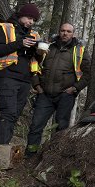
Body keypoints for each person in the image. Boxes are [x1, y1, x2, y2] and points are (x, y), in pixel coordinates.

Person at [25, 23, 90, 155]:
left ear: (73, 34)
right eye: (63, 31)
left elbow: (88, 73)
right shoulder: (47, 46)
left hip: (66, 95)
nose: (65, 33)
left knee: (61, 128)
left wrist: (75, 88)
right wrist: (37, 86)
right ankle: (30, 156)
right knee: (36, 126)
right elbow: (34, 64)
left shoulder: (79, 50)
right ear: (59, 32)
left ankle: (53, 157)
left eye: (68, 31)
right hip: (44, 94)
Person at [0, 3, 43, 145]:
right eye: (28, 17)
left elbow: (36, 60)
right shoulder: (5, 28)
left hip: (25, 80)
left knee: (15, 115)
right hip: (7, 76)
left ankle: (4, 147)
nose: (30, 22)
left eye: (33, 20)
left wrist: (39, 52)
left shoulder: (34, 35)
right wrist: (20, 43)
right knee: (8, 113)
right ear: (20, 15)